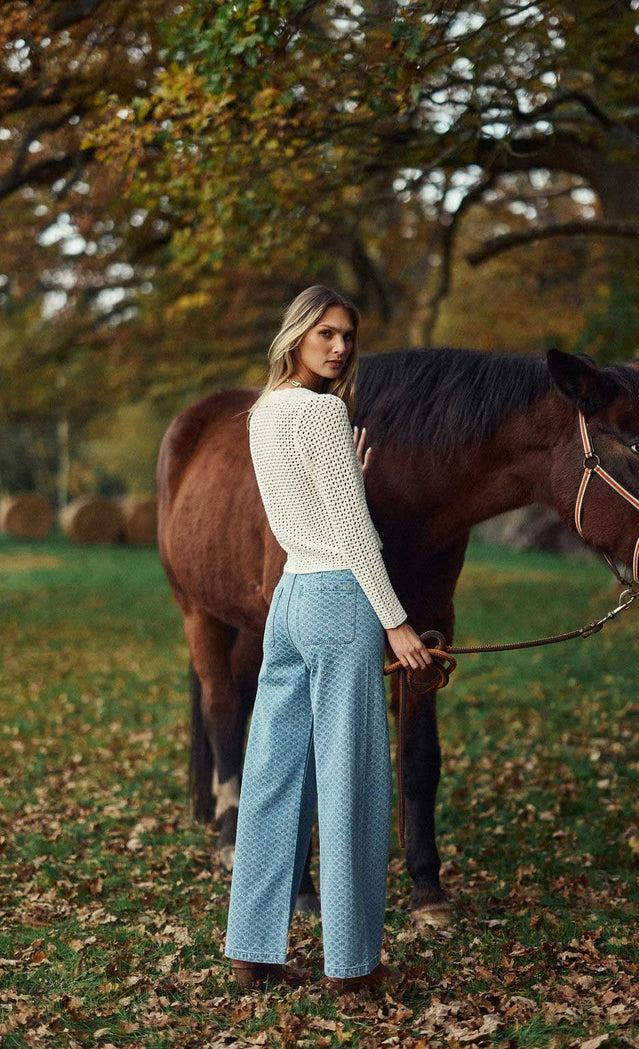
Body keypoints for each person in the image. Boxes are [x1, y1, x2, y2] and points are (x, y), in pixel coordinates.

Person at [225, 284, 433, 992]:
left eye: (347, 334)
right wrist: (396, 620)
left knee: (273, 776)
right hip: (339, 598)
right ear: (297, 334)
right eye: (326, 332)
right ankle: (352, 967)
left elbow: (303, 506)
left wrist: (352, 473)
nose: (340, 346)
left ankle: (252, 951)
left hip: (288, 599)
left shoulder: (262, 413)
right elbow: (349, 532)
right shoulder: (322, 412)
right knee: (352, 783)